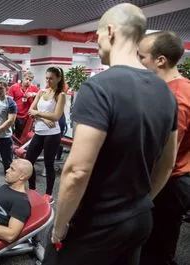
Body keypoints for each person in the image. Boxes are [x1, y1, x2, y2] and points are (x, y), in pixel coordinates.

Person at [51, 4, 178, 265]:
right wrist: (139, 205)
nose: (95, 41)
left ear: (110, 31)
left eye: (96, 34)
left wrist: (59, 226)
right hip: (139, 218)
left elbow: (76, 171)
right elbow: (167, 165)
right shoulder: (166, 91)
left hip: (97, 222)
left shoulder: (98, 88)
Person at [138, 31, 190, 265]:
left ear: (160, 60)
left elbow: (165, 156)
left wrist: (145, 198)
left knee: (156, 251)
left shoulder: (176, 96)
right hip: (172, 178)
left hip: (168, 182)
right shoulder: (178, 88)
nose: (139, 63)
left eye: (142, 57)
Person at [25, 67, 66, 197]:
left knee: (49, 164)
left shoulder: (61, 95)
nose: (48, 81)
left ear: (59, 78)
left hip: (52, 134)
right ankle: (32, 190)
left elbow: (56, 117)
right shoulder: (41, 92)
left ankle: (48, 195)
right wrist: (42, 117)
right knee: (28, 162)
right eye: (47, 78)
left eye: (51, 78)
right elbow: (30, 111)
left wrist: (37, 113)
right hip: (39, 132)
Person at [7, 71, 39, 138]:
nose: (28, 81)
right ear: (23, 78)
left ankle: (19, 147)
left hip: (26, 116)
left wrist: (33, 94)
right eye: (26, 79)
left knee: (22, 135)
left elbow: (42, 95)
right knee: (11, 134)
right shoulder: (13, 87)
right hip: (14, 115)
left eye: (30, 80)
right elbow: (9, 102)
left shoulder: (34, 89)